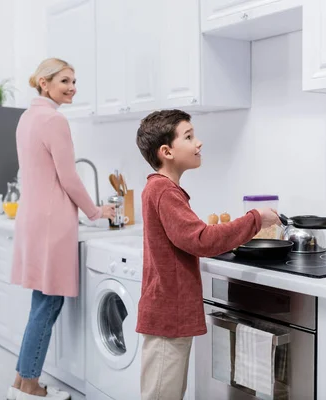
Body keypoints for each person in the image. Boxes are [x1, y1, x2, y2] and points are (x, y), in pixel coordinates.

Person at [135, 109, 280, 399]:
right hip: (168, 316)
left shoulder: (162, 189)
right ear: (167, 151)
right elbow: (200, 239)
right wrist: (255, 218)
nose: (198, 143)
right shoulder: (164, 191)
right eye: (188, 137)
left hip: (168, 313)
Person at [7, 58, 115, 400]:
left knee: (40, 303)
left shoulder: (27, 118)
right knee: (48, 304)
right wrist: (96, 211)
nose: (72, 87)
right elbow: (68, 178)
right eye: (65, 80)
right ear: (44, 82)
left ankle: (21, 383)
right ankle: (31, 388)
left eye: (74, 80)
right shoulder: (54, 120)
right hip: (53, 223)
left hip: (33, 218)